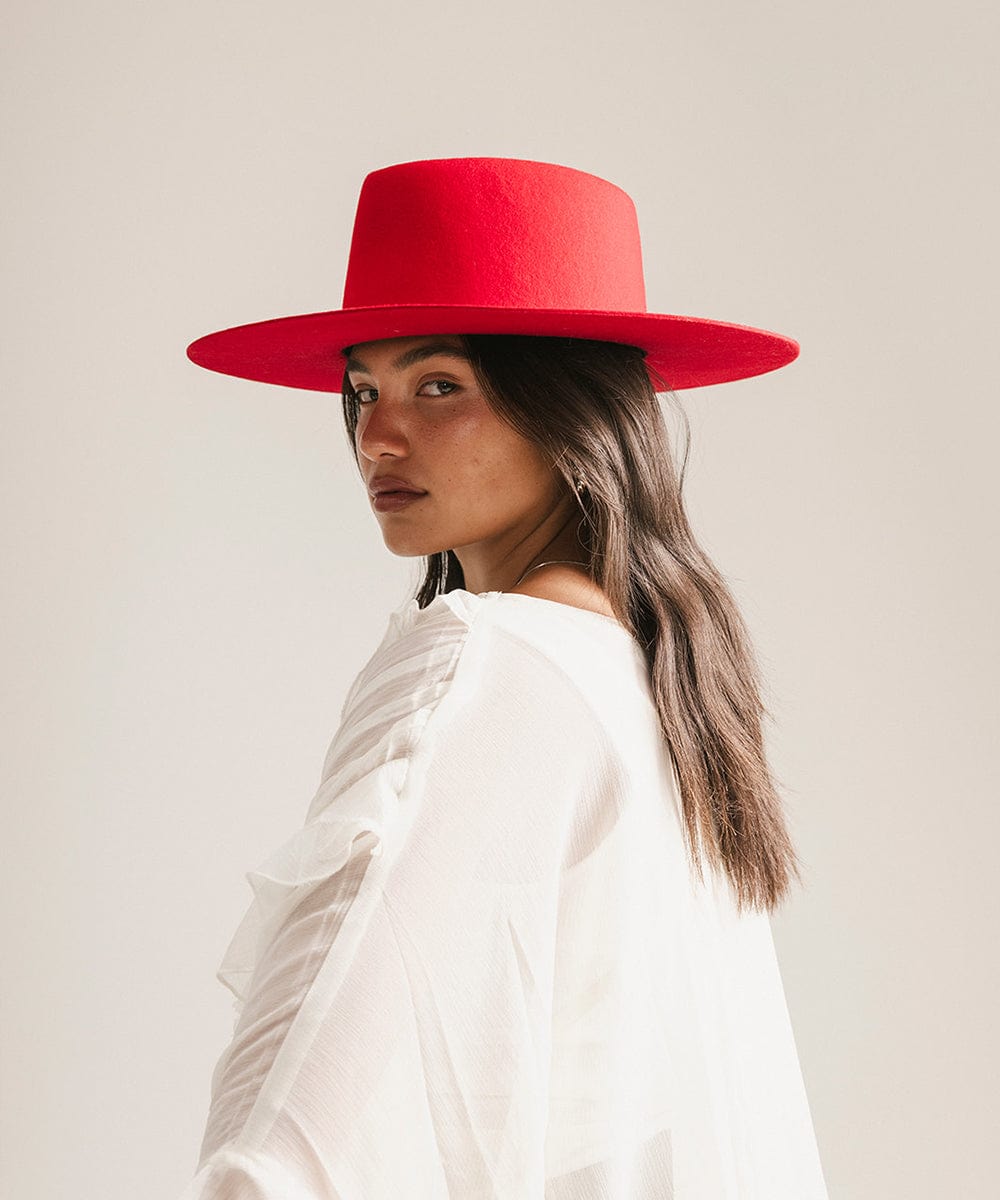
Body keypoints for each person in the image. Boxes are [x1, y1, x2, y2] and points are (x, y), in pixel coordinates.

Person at [180, 157, 829, 1198]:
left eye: (440, 386)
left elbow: (298, 1137)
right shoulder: (653, 682)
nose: (376, 436)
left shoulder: (485, 663)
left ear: (568, 411)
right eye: (362, 390)